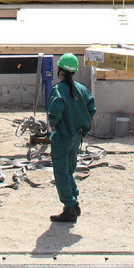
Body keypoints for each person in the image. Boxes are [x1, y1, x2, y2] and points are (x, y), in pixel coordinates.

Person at [47, 53, 96, 223]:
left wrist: (53, 126)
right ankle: (74, 203)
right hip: (76, 137)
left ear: (60, 70)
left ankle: (69, 208)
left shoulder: (58, 90)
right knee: (69, 171)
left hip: (62, 137)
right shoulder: (81, 89)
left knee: (61, 173)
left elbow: (55, 112)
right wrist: (83, 128)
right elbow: (92, 108)